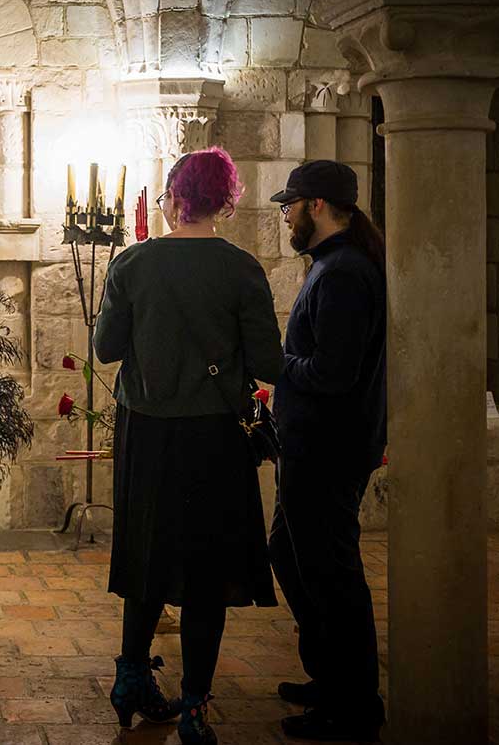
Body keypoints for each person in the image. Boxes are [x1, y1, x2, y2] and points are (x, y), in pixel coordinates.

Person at [96, 147, 283, 745]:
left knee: (146, 555)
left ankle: (130, 679)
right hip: (214, 440)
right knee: (208, 570)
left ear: (173, 197)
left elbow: (105, 349)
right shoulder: (242, 269)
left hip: (146, 432)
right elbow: (267, 362)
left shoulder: (131, 265)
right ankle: (197, 707)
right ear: (226, 201)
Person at [266, 160, 387, 741]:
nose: (284, 215)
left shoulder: (343, 274)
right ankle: (330, 677)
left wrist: (277, 368)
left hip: (327, 448)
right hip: (314, 444)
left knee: (331, 573)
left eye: (290, 205)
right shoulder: (334, 266)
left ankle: (353, 702)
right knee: (291, 555)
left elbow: (334, 374)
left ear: (316, 206)